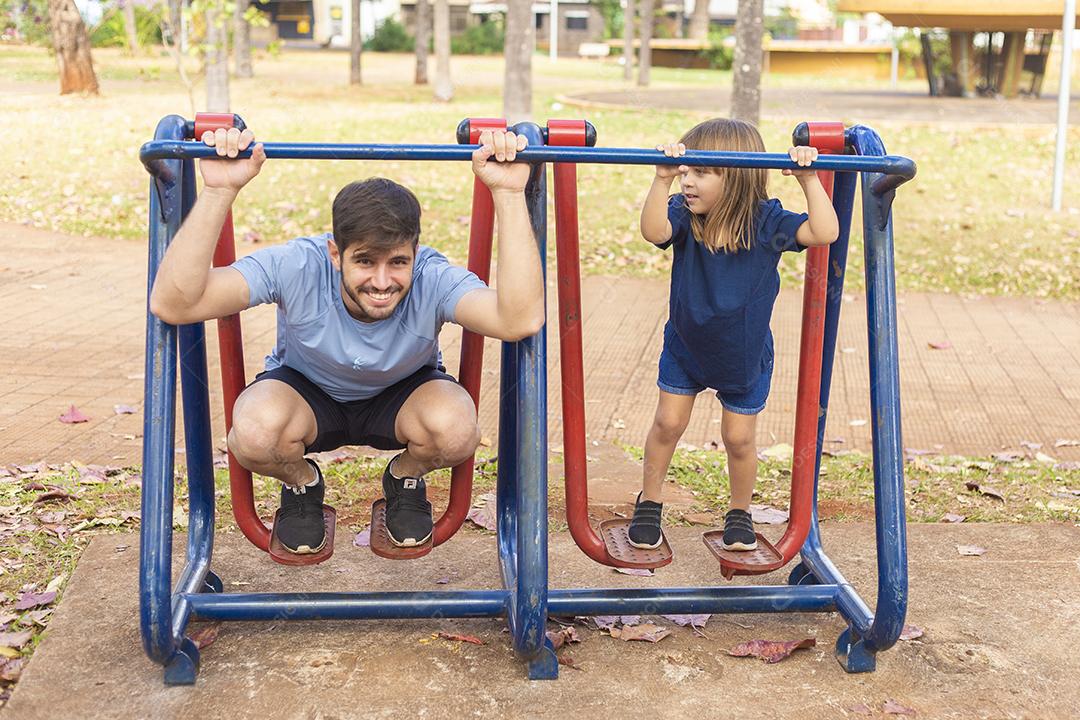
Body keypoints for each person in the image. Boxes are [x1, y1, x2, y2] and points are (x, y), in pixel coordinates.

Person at [150, 126, 544, 554]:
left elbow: (518, 319)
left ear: (415, 251)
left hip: (404, 391)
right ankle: (303, 485)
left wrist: (507, 194)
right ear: (335, 253)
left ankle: (404, 477)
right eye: (364, 261)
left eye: (397, 262)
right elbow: (175, 303)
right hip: (306, 390)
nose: (381, 281)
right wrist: (217, 191)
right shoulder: (298, 265)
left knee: (455, 431)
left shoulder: (432, 275)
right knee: (254, 435)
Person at [627, 118, 839, 552]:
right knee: (668, 424)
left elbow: (824, 232)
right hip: (685, 346)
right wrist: (661, 178)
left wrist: (809, 179)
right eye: (686, 171)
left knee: (739, 438)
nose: (687, 181)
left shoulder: (766, 222)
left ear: (736, 176)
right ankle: (649, 502)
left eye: (700, 172)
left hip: (742, 354)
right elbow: (653, 233)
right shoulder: (683, 216)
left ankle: (739, 511)